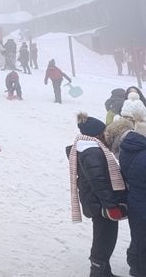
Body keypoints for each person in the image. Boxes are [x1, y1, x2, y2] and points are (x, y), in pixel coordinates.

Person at [68, 114, 126, 277]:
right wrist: (111, 205)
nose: (106, 134)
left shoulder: (88, 147)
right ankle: (98, 271)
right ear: (97, 133)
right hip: (99, 202)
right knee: (104, 236)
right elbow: (98, 181)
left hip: (96, 200)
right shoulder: (91, 150)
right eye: (104, 131)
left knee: (105, 234)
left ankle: (103, 270)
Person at [117, 126, 146, 277]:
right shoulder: (142, 155)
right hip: (142, 203)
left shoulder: (126, 151)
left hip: (135, 202)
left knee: (138, 237)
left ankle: (135, 266)